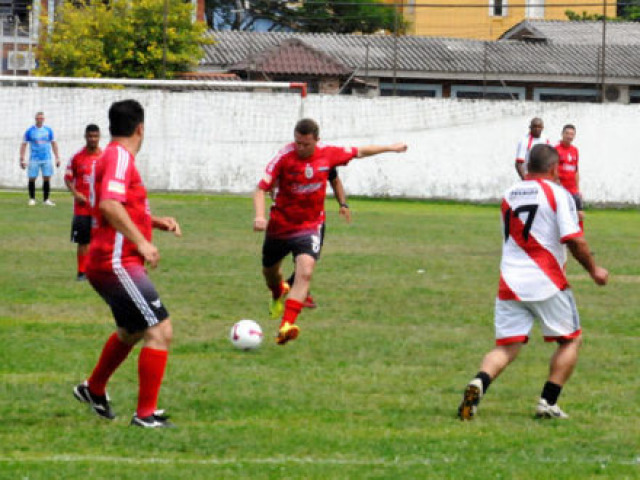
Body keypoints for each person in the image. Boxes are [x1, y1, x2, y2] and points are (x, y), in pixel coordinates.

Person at [458, 144, 608, 421]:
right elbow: (574, 239)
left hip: (510, 280)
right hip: (546, 279)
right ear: (553, 168)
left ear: (527, 166)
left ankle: (478, 382)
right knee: (570, 340)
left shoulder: (509, 194)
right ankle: (547, 402)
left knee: (506, 346)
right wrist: (594, 269)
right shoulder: (558, 194)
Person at [73, 99, 182, 428]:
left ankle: (94, 389)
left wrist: (156, 222)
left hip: (107, 259)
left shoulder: (110, 157)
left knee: (132, 330)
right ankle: (145, 415)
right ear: (140, 128)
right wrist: (141, 241)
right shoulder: (120, 157)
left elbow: (123, 205)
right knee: (160, 330)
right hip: (116, 260)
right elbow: (108, 204)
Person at [253, 118, 407, 345]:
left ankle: (286, 326)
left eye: (305, 144)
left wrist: (390, 148)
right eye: (297, 143)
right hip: (280, 225)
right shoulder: (284, 157)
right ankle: (277, 292)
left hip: (310, 225)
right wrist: (259, 216)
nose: (300, 148)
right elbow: (260, 189)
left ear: (316, 141)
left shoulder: (328, 154)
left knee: (305, 271)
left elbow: (361, 151)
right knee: (270, 273)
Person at [285, 167, 351, 309]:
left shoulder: (325, 160)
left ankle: (290, 286)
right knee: (305, 256)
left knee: (311, 257)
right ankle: (300, 293)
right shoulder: (291, 160)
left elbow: (335, 180)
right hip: (294, 216)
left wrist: (343, 204)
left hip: (316, 219)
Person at [64, 124, 102, 281]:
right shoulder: (77, 157)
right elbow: (67, 178)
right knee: (83, 241)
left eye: (95, 136)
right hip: (82, 208)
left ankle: (99, 271)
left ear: (99, 137)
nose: (93, 139)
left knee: (101, 241)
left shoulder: (105, 157)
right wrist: (76, 193)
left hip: (100, 207)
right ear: (85, 137)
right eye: (90, 136)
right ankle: (81, 272)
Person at [20, 111, 61, 206]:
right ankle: (32, 199)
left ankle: (46, 199)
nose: (40, 120)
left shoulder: (48, 130)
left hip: (46, 158)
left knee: (47, 178)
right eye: (38, 118)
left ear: (44, 119)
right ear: (35, 119)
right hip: (34, 158)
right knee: (32, 178)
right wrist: (22, 158)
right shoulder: (30, 131)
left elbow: (54, 144)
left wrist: (57, 157)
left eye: (42, 118)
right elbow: (24, 145)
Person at [554, 124, 584, 226]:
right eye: (567, 133)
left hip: (573, 190)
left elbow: (576, 170)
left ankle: (578, 237)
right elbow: (553, 170)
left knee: (579, 215)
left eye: (572, 134)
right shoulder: (556, 149)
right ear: (562, 134)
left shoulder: (575, 150)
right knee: (561, 215)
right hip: (561, 189)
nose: (569, 136)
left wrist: (578, 189)